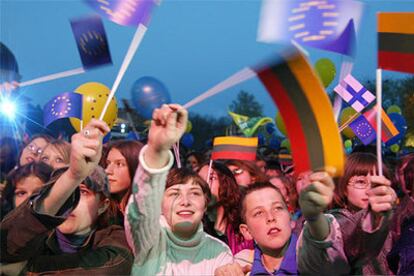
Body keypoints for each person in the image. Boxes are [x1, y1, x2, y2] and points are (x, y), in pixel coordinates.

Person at [1, 120, 133, 275]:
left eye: (83, 192)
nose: (71, 201)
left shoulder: (116, 238)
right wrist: (72, 176)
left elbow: (108, 267)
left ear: (103, 204)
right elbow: (6, 244)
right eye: (67, 192)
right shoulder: (39, 237)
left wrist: (26, 269)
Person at [124, 104, 233, 275]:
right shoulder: (149, 242)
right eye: (174, 194)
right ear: (159, 205)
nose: (185, 201)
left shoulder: (219, 252)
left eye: (195, 193)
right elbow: (139, 214)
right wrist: (156, 152)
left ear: (205, 205)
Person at [332, 152, 397, 275]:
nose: (369, 190)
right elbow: (351, 236)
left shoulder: (390, 217)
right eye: (361, 182)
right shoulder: (334, 221)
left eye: (376, 184)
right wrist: (373, 215)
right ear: (343, 187)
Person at [198, 161, 253, 254]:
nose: (204, 184)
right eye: (199, 180)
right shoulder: (197, 229)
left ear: (226, 183)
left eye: (211, 178)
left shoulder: (244, 225)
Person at [104, 139, 143, 217]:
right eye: (108, 163)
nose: (108, 170)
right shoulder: (101, 209)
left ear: (136, 168)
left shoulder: (147, 212)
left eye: (119, 164)